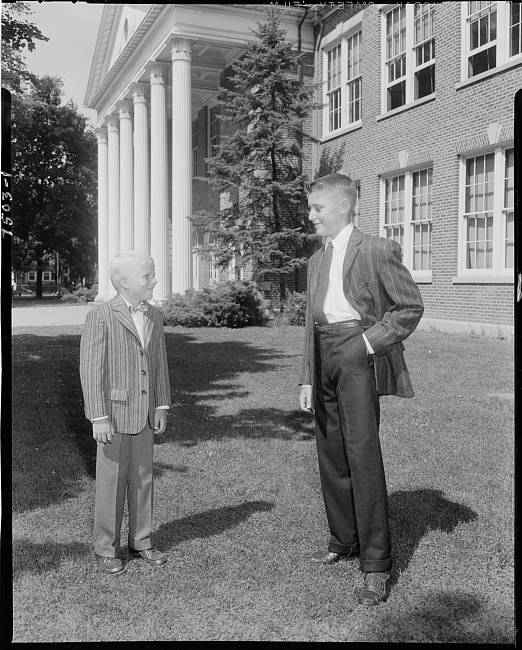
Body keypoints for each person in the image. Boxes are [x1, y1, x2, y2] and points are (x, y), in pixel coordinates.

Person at [299, 173, 424, 605]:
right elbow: (310, 325)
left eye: (318, 208)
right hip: (324, 355)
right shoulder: (316, 260)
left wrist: (367, 344)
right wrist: (307, 376)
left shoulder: (375, 249)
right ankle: (342, 540)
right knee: (330, 451)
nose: (311, 215)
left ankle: (375, 565)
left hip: (358, 350)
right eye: (311, 208)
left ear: (345, 206)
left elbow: (410, 306)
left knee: (362, 454)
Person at [80, 251, 171, 575]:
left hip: (144, 413)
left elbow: (158, 363)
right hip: (114, 417)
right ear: (124, 282)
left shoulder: (154, 315)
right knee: (111, 483)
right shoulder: (101, 315)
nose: (154, 281)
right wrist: (99, 416)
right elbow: (91, 370)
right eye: (148, 276)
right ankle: (106, 547)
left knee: (143, 478)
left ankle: (141, 541)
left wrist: (161, 404)